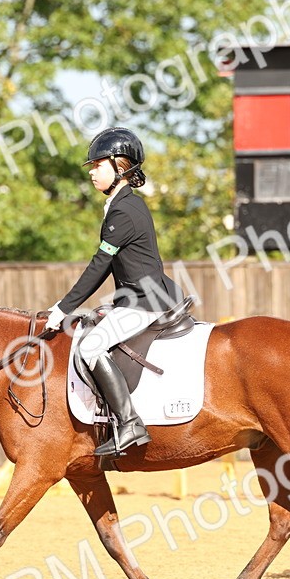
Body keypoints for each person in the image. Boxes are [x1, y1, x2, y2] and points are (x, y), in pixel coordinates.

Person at [43, 127, 182, 456]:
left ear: (121, 166)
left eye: (98, 165)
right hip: (138, 298)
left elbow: (99, 265)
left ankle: (129, 422)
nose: (92, 172)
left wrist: (62, 309)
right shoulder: (124, 205)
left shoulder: (123, 211)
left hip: (145, 303)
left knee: (91, 347)